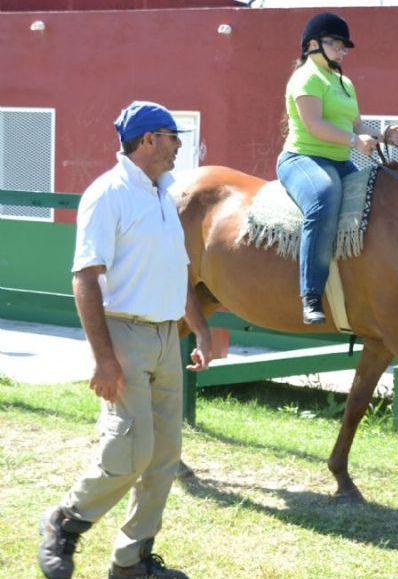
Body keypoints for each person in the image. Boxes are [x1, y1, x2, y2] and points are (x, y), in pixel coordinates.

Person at [37, 101, 212, 579]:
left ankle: (131, 561)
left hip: (164, 338)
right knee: (128, 452)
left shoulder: (164, 194)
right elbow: (85, 278)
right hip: (124, 335)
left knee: (163, 457)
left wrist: (198, 327)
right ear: (149, 140)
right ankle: (64, 524)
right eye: (172, 136)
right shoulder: (107, 193)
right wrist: (104, 359)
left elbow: (177, 270)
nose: (179, 145)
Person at [277, 11, 398, 324]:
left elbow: (357, 124)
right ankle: (311, 294)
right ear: (313, 44)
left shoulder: (343, 82)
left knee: (377, 194)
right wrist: (353, 140)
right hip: (303, 159)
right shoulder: (305, 78)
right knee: (324, 195)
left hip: (338, 159)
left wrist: (380, 135)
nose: (343, 51)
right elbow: (314, 125)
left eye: (345, 47)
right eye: (337, 44)